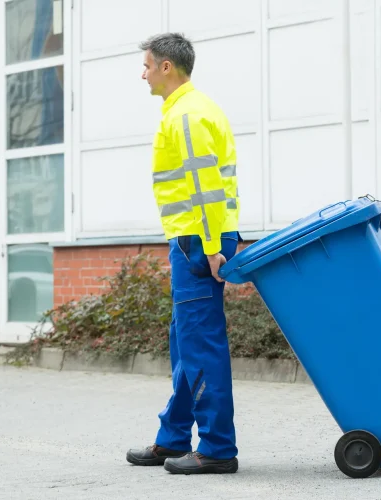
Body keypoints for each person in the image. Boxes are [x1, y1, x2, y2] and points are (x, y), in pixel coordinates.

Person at [126, 33, 241, 475]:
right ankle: (173, 437)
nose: (144, 73)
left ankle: (216, 448)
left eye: (148, 65)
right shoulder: (193, 109)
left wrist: (211, 248)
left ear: (167, 67)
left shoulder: (189, 115)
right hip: (196, 240)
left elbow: (205, 187)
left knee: (200, 346)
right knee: (184, 341)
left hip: (198, 242)